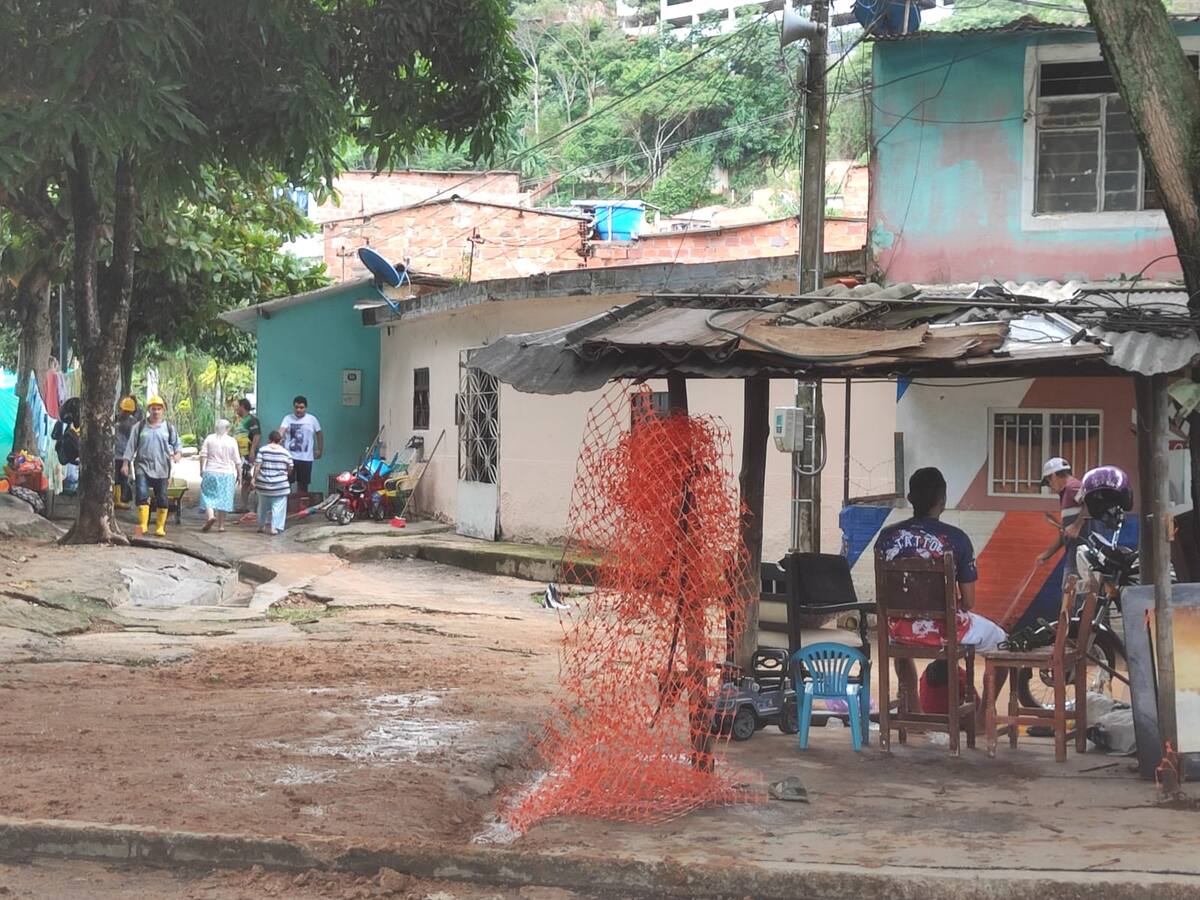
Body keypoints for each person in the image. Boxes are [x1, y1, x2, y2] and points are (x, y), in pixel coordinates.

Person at [877, 467, 1007, 724]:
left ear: (910, 498)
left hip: (898, 628)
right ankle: (983, 716)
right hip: (945, 630)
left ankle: (913, 709)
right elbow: (969, 602)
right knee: (1003, 643)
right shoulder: (956, 539)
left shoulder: (886, 537)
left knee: (903, 646)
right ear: (943, 500)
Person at [121, 395, 182, 537]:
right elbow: (131, 446)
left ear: (163, 411)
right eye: (153, 409)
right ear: (149, 410)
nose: (156, 411)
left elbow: (177, 444)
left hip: (162, 468)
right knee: (142, 494)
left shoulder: (168, 428)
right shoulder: (139, 427)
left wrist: (178, 454)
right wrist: (125, 463)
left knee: (162, 497)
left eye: (159, 409)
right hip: (142, 466)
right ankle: (143, 525)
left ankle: (160, 527)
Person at [1037, 457, 1089, 587]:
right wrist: (1047, 555)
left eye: (1048, 482)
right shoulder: (1066, 494)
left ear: (1053, 476)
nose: (1051, 487)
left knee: (1072, 598)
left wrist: (1077, 525)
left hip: (1082, 556)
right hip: (1074, 554)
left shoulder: (1073, 487)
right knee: (1069, 597)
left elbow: (1092, 502)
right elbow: (1065, 533)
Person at [198, 419, 240, 533]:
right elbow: (237, 460)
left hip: (211, 471)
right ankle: (221, 526)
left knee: (207, 495)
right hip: (227, 473)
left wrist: (202, 470)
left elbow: (203, 455)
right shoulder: (232, 441)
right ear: (228, 429)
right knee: (224, 498)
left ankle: (211, 515)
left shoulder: (210, 438)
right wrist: (239, 475)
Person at [279, 395, 322, 493]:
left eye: (301, 407)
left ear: (306, 408)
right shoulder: (287, 418)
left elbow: (319, 434)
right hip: (289, 457)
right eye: (296, 407)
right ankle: (287, 506)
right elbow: (281, 431)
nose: (298, 410)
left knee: (303, 485)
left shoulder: (312, 419)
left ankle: (301, 507)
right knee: (286, 483)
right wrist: (277, 440)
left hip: (306, 458)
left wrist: (320, 449)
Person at [254, 430, 293, 535]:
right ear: (280, 441)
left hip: (263, 485)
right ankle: (274, 528)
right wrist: (285, 475)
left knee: (262, 506)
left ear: (269, 439)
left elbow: (257, 466)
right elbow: (290, 468)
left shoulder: (263, 450)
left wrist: (254, 479)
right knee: (278, 507)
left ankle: (261, 526)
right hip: (280, 485)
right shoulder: (286, 453)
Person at [232, 398, 261, 511]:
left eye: (237, 406)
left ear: (243, 406)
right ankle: (244, 505)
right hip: (241, 455)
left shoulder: (252, 420)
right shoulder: (241, 420)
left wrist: (252, 450)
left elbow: (257, 435)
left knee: (246, 479)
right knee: (244, 478)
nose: (236, 409)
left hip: (247, 453)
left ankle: (246, 503)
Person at [112, 395, 141, 509]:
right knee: (115, 478)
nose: (125, 413)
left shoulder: (132, 423)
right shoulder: (115, 418)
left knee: (123, 477)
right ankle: (116, 499)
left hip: (125, 454)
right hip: (114, 453)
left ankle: (120, 499)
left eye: (128, 411)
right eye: (124, 410)